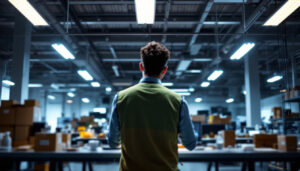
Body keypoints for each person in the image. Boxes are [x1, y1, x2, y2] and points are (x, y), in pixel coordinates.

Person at [108, 41, 196, 171]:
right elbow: (190, 144)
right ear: (164, 70)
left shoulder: (121, 98)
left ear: (141, 67)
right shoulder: (178, 101)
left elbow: (113, 142)